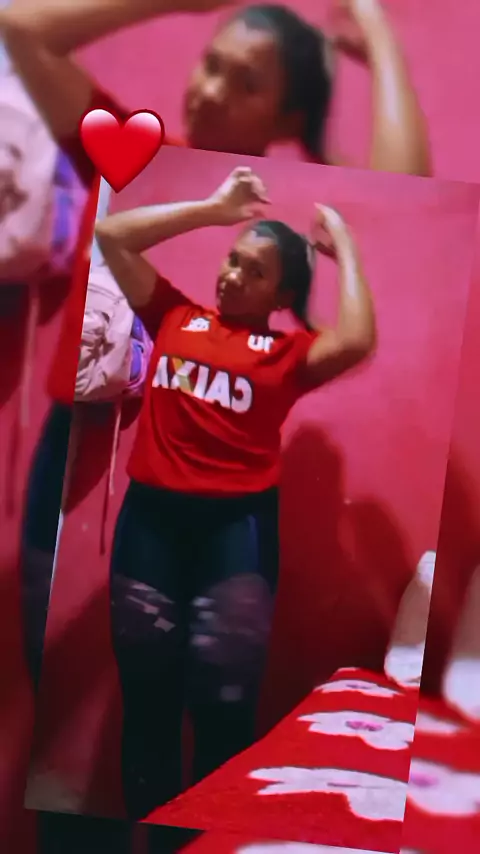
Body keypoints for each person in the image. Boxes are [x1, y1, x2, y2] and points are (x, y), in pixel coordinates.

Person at [0, 0, 425, 689]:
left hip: (201, 493)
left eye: (245, 82)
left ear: (287, 117)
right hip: (73, 438)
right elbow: (21, 28)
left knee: (201, 678)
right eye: (211, 64)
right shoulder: (129, 152)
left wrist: (377, 35)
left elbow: (407, 187)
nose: (210, 90)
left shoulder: (294, 211)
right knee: (46, 659)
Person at [92, 164, 377, 818]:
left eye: (254, 271)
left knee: (224, 712)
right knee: (148, 706)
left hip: (235, 536)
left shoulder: (287, 354)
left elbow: (359, 337)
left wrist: (344, 243)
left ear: (282, 293)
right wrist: (214, 208)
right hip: (151, 526)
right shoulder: (174, 314)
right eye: (232, 260)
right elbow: (111, 235)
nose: (232, 276)